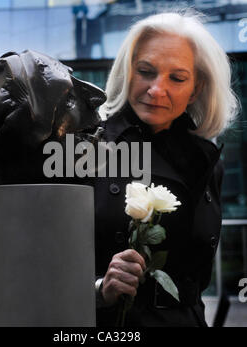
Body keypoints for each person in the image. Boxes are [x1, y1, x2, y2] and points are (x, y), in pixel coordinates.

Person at [93, 10, 240, 327]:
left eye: (177, 78)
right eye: (146, 71)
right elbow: (40, 262)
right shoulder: (84, 149)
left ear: (197, 88)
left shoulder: (207, 160)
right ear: (127, 73)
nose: (157, 89)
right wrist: (98, 291)